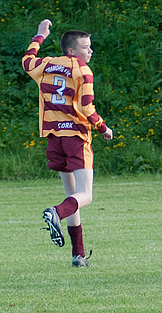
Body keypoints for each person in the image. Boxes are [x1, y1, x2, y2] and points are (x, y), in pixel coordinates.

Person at [23, 19, 114, 268]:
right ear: (72, 51)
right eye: (86, 47)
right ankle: (56, 212)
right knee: (85, 195)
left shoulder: (47, 64)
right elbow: (86, 107)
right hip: (76, 137)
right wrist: (104, 128)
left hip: (54, 138)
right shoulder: (82, 70)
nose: (90, 51)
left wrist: (40, 35)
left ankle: (78, 255)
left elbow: (27, 60)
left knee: (72, 196)